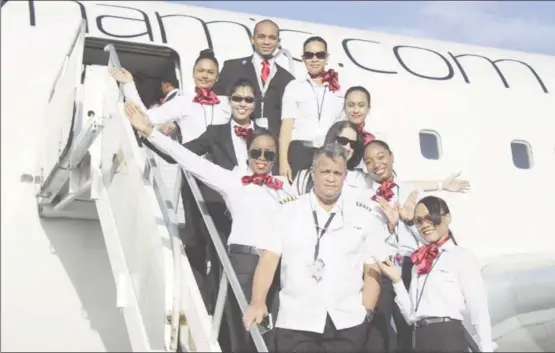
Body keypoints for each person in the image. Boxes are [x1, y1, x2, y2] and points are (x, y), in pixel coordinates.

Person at [124, 100, 293, 352]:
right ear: (247, 152)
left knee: (271, 333)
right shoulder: (233, 180)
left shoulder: (284, 186)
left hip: (278, 264)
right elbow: (189, 160)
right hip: (245, 262)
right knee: (245, 332)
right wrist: (150, 132)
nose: (261, 158)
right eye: (256, 152)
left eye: (268, 154)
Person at [244, 143, 388, 353]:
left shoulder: (364, 216)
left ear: (345, 176)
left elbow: (372, 268)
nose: (331, 178)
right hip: (297, 320)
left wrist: (366, 312)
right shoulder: (287, 211)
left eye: (337, 173)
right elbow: (269, 259)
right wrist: (258, 301)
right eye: (325, 172)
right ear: (313, 173)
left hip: (347, 322)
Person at [363, 139, 470, 352]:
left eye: (381, 157)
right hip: (383, 268)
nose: (376, 164)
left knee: (410, 326)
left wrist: (408, 220)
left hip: (412, 267)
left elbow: (430, 237)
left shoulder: (412, 191)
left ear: (392, 156)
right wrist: (390, 227)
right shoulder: (366, 198)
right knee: (380, 326)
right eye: (369, 161)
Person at [376, 196, 496, 352]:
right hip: (419, 340)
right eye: (419, 221)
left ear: (447, 218)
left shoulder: (462, 256)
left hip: (447, 337)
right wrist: (397, 281)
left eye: (430, 217)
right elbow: (411, 316)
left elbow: (478, 308)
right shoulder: (418, 263)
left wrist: (486, 347)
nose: (425, 225)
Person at [214, 19, 295, 142]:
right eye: (261, 37)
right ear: (252, 39)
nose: (266, 42)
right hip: (235, 143)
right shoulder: (232, 68)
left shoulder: (287, 79)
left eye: (272, 38)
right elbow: (214, 107)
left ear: (278, 42)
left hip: (269, 149)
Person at [279, 36, 345, 182]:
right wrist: (283, 162)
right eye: (309, 55)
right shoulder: (294, 87)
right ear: (303, 59)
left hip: (328, 152)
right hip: (299, 151)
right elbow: (286, 127)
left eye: (320, 55)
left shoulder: (340, 89)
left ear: (326, 57)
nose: (314, 59)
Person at [158, 49, 231, 143]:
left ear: (217, 77)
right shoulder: (182, 101)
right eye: (201, 71)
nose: (205, 75)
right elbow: (151, 118)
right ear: (193, 73)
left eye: (210, 72)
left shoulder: (228, 103)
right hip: (189, 155)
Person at [293, 120, 372, 195]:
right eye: (343, 141)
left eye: (353, 144)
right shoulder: (304, 175)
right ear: (332, 139)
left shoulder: (362, 179)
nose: (348, 147)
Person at [109, 66, 189, 127]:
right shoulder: (179, 100)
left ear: (167, 85)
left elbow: (145, 117)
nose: (161, 88)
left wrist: (128, 83)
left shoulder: (176, 102)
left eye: (162, 85)